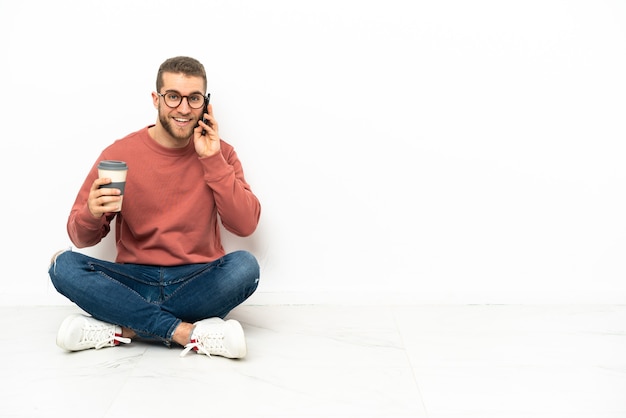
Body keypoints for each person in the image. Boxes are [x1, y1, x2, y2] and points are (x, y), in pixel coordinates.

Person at [48, 56, 261, 359]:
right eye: (173, 97)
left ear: (206, 103)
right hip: (134, 280)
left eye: (194, 98)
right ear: (156, 99)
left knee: (245, 267)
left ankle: (125, 329)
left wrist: (211, 160)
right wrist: (91, 214)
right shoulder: (120, 154)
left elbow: (245, 225)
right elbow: (81, 238)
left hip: (196, 280)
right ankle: (185, 332)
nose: (184, 109)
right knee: (62, 265)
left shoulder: (221, 153)